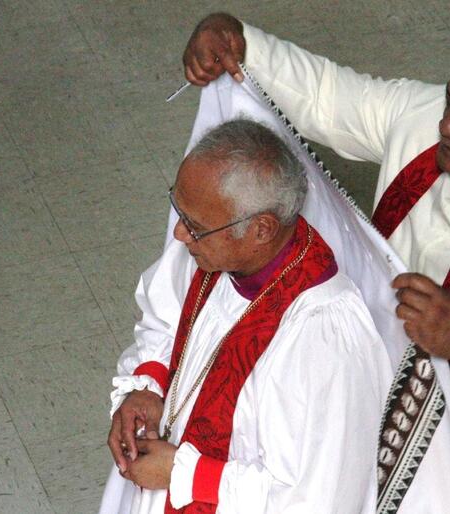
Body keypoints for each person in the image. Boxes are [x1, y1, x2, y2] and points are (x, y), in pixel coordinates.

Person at [181, 13, 450, 513]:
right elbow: (331, 95)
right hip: (370, 389)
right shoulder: (434, 117)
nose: (446, 126)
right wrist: (240, 43)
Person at [99, 119, 392, 513]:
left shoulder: (323, 338)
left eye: (196, 227)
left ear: (261, 229)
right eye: (180, 212)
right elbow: (163, 317)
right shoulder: (210, 249)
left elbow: (318, 498)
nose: (181, 236)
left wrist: (182, 474)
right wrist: (147, 385)